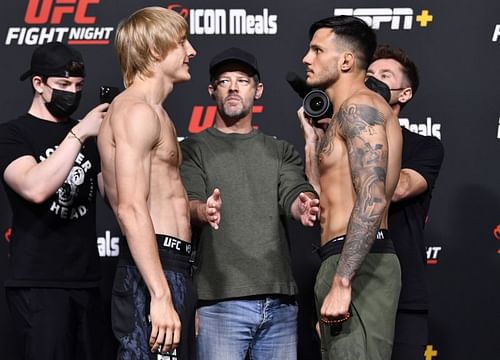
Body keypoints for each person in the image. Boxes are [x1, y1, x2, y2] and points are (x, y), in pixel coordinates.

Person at [180, 47, 320, 360]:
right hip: (220, 302)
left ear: (258, 90)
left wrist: (303, 206)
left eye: (242, 81)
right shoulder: (193, 149)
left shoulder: (279, 150)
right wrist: (204, 210)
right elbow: (189, 202)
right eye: (224, 81)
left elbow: (293, 194)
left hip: (280, 301)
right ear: (212, 91)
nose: (232, 87)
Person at [297, 16, 403, 359]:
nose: (306, 59)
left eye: (316, 50)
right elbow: (326, 192)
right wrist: (312, 143)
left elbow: (372, 197)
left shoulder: (362, 107)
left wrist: (342, 282)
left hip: (359, 266)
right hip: (339, 261)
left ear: (346, 60)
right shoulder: (341, 116)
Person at [97, 7, 197, 359]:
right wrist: (160, 295)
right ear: (155, 51)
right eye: (182, 42)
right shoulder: (136, 111)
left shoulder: (156, 113)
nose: (191, 51)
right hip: (153, 271)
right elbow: (128, 206)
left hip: (171, 266)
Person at [0, 42, 108, 359]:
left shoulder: (89, 135)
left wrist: (119, 140)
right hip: (39, 283)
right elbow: (34, 187)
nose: (72, 93)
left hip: (88, 281)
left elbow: (114, 197)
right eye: (62, 85)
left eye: (78, 86)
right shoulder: (12, 134)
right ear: (38, 84)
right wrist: (78, 136)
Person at [367, 44, 444, 360]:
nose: (373, 82)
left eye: (384, 76)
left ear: (405, 94)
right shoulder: (340, 141)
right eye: (368, 75)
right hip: (350, 289)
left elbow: (396, 189)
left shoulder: (426, 147)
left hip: (404, 295)